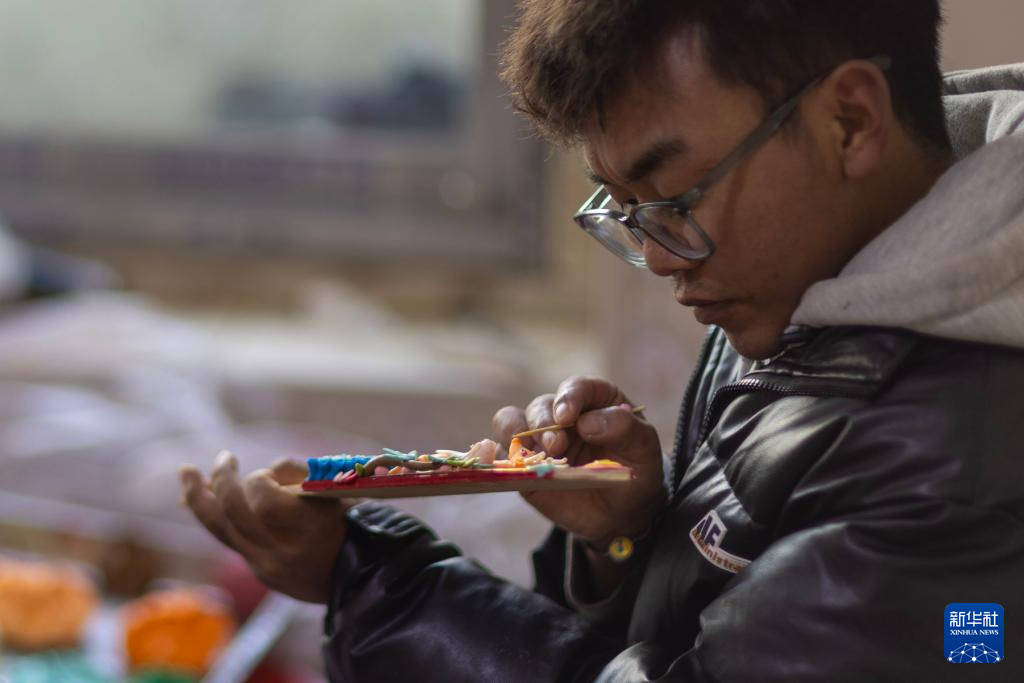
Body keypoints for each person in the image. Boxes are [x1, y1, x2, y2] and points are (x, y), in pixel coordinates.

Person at [181, 1, 1024, 680]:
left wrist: (368, 582)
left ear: (850, 120)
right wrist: (629, 536)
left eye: (676, 198)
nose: (659, 257)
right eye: (627, 211)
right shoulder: (823, 284)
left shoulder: (959, 462)